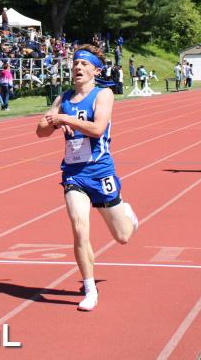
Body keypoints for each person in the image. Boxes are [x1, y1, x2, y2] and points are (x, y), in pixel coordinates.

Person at [36, 45, 137, 312]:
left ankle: (127, 213)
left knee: (123, 236)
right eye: (75, 64)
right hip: (74, 173)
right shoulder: (64, 98)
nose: (78, 68)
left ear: (96, 70)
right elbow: (40, 131)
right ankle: (90, 289)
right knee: (80, 227)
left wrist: (66, 118)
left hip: (100, 171)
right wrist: (55, 122)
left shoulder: (103, 94)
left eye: (84, 64)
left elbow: (98, 128)